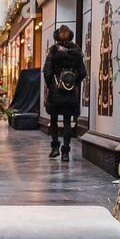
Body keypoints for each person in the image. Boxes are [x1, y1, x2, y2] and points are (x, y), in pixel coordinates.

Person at [42, 25, 87, 161]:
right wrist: (73, 84)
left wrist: (52, 85)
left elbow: (47, 71)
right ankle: (66, 152)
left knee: (54, 120)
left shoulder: (54, 51)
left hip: (56, 91)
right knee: (67, 121)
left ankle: (55, 148)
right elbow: (83, 73)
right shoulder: (76, 51)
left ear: (57, 36)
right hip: (71, 92)